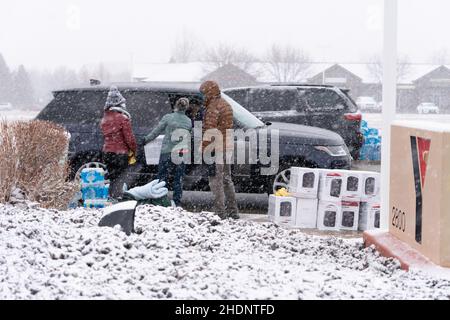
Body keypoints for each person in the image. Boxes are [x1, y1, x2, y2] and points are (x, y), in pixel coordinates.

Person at [200, 80, 239, 220]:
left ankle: (220, 213)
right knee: (227, 180)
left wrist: (204, 148)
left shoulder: (213, 107)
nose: (203, 96)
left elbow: (209, 130)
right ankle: (233, 211)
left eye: (204, 93)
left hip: (215, 148)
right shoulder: (226, 104)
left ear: (209, 92)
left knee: (216, 181)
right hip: (226, 146)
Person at [144, 97, 192, 207]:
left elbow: (156, 131)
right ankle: (176, 202)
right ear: (186, 107)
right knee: (178, 178)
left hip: (166, 152)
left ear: (176, 105)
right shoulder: (189, 122)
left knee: (162, 177)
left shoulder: (168, 118)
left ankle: (160, 199)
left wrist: (146, 139)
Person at [100, 85, 137, 200]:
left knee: (112, 177)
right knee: (120, 178)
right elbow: (129, 138)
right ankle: (117, 198)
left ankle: (111, 197)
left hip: (107, 152)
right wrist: (134, 149)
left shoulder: (105, 118)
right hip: (120, 153)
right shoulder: (123, 118)